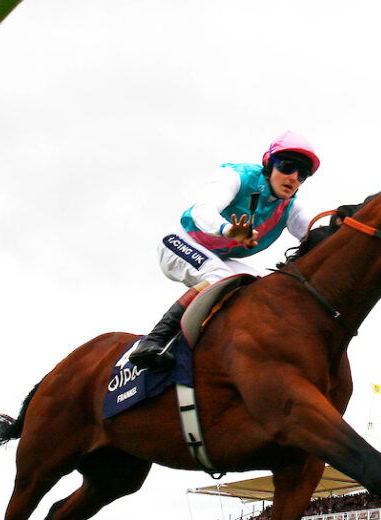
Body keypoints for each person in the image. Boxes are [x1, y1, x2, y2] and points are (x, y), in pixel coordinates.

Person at [129, 131, 321, 369]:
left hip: (217, 257)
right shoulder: (235, 176)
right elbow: (202, 211)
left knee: (261, 287)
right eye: (288, 167)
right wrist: (228, 230)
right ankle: (153, 341)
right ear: (269, 164)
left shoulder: (291, 207)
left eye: (302, 174)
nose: (293, 178)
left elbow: (317, 235)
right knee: (220, 276)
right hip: (180, 242)